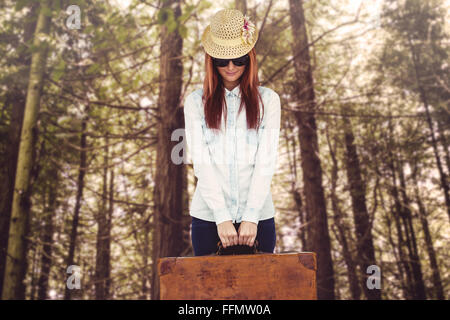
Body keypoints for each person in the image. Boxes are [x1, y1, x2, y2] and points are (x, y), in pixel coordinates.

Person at [183, 8, 281, 256]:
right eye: (221, 60)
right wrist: (222, 218)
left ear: (250, 58)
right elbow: (202, 162)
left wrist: (250, 217)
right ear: (210, 60)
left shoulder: (268, 101)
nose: (230, 67)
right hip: (209, 219)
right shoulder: (196, 102)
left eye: (239, 59)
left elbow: (266, 161)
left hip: (258, 218)